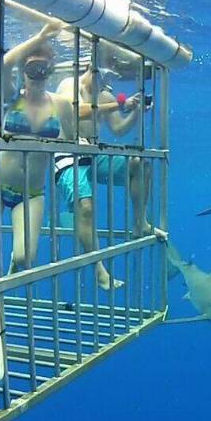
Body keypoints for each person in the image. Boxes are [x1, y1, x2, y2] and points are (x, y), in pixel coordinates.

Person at [0, 21, 125, 274]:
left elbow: (71, 143)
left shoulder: (60, 104)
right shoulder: (11, 98)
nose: (39, 75)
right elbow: (4, 64)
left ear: (51, 71)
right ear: (23, 71)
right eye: (33, 68)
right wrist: (39, 36)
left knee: (26, 257)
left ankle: (1, 291)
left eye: (44, 69)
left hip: (32, 193)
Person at [54, 42, 158, 290]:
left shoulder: (105, 95)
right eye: (104, 75)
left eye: (112, 77)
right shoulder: (70, 85)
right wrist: (121, 104)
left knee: (140, 164)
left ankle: (139, 222)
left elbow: (119, 130)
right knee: (86, 207)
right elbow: (76, 112)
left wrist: (136, 111)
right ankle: (100, 271)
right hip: (66, 153)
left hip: (93, 151)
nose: (107, 83)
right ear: (91, 68)